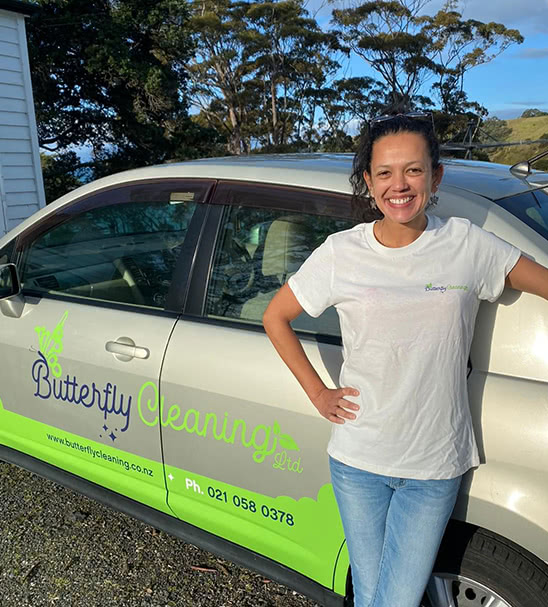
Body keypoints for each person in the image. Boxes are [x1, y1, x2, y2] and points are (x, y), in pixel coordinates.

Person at [262, 113, 548, 607]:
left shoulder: (466, 244)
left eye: (414, 171)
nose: (400, 185)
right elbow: (276, 317)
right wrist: (318, 392)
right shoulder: (340, 253)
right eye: (386, 173)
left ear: (435, 177)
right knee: (374, 595)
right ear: (369, 181)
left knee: (391, 600)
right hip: (357, 460)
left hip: (433, 465)